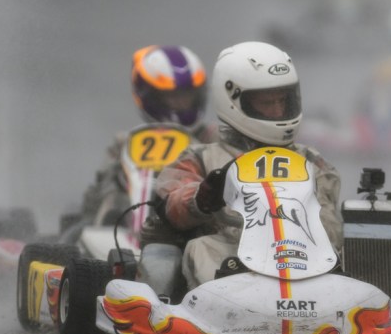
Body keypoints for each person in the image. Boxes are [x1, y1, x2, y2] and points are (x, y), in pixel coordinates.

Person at [146, 41, 343, 291]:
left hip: (303, 258)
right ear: (233, 100)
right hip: (231, 259)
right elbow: (171, 205)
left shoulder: (311, 161)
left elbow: (331, 229)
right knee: (198, 248)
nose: (278, 111)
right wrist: (203, 197)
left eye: (283, 101)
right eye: (266, 103)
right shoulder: (201, 157)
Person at [79, 45, 216, 227]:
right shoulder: (125, 143)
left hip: (196, 221)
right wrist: (120, 179)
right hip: (125, 225)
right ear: (150, 96)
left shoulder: (213, 138)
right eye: (172, 96)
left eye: (187, 96)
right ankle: (111, 227)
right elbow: (94, 196)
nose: (181, 103)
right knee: (100, 203)